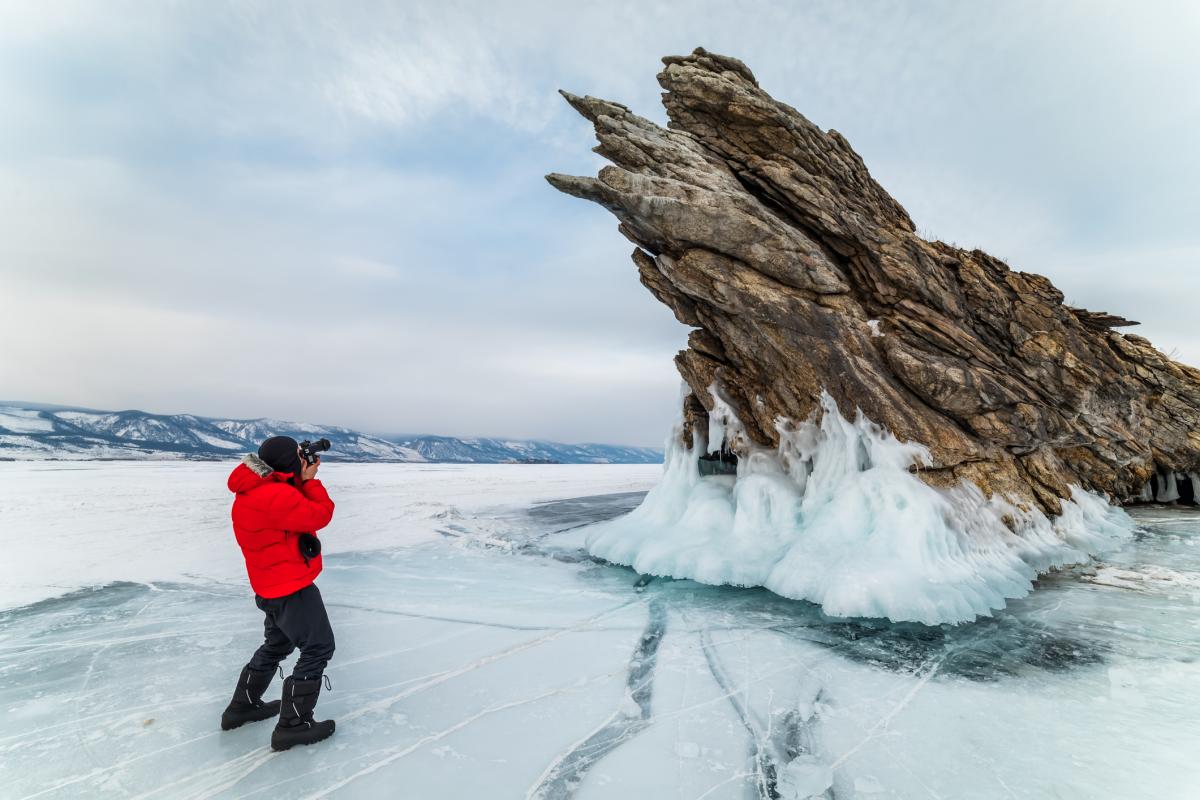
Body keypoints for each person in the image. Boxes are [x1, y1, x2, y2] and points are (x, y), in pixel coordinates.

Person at [220, 435, 338, 750]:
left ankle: (241, 707)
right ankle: (293, 724)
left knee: (278, 644)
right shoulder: (274, 495)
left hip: (269, 587)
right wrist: (311, 481)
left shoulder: (254, 490)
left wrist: (297, 477)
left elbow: (286, 507)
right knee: (318, 647)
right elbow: (319, 514)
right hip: (292, 588)